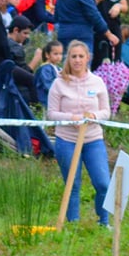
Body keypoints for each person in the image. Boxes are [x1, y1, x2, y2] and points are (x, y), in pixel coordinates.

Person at [45, 39, 115, 226]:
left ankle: (104, 222)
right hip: (66, 139)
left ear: (88, 58)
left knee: (103, 184)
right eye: (73, 56)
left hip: (93, 139)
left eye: (81, 56)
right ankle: (73, 223)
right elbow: (51, 114)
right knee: (72, 184)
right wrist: (71, 117)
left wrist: (93, 115)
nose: (77, 60)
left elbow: (106, 112)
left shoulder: (97, 82)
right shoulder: (58, 83)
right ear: (68, 59)